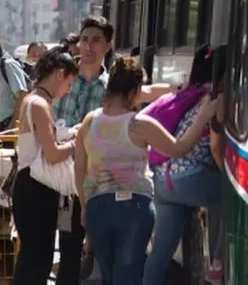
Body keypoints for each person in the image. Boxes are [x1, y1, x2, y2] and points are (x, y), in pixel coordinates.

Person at [74, 56, 219, 285]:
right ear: (135, 92)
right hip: (134, 208)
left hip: (97, 208)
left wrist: (84, 206)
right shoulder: (140, 124)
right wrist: (203, 116)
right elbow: (179, 148)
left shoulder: (89, 121)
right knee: (128, 275)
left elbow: (80, 168)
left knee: (109, 276)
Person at [54, 16, 178, 283]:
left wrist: (181, 89)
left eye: (96, 41)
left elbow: (146, 92)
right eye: (84, 39)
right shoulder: (61, 77)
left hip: (98, 184)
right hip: (63, 177)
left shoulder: (112, 86)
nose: (88, 46)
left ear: (108, 45)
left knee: (106, 260)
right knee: (67, 251)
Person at [143, 46, 225, 285]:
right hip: (191, 178)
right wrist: (224, 173)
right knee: (232, 197)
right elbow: (215, 147)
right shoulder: (216, 99)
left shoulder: (188, 95)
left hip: (163, 179)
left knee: (160, 253)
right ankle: (218, 263)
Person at [12, 47, 81, 284]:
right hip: (35, 190)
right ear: (60, 74)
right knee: (36, 260)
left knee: (34, 258)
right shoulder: (39, 104)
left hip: (32, 189)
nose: (67, 91)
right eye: (69, 84)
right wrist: (75, 144)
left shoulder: (34, 101)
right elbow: (52, 154)